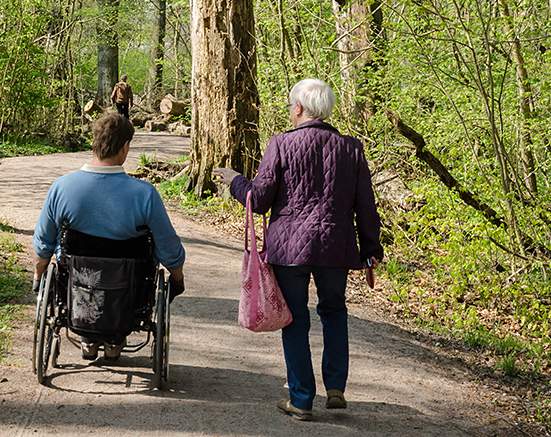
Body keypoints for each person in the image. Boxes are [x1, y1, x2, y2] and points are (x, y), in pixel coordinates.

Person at [212, 78, 382, 421]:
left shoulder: (281, 144)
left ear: (300, 108)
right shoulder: (351, 148)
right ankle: (335, 386)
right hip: (335, 245)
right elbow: (366, 205)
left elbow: (258, 200)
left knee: (295, 320)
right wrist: (371, 249)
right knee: (334, 311)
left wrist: (234, 180)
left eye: (291, 107)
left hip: (290, 248)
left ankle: (302, 399)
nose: (290, 112)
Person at [33, 112, 185, 361]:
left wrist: (39, 276)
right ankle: (115, 337)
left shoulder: (62, 188)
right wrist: (177, 279)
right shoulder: (145, 194)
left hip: (76, 282)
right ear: (125, 147)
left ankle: (88, 336)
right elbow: (168, 249)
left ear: (94, 143)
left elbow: (43, 245)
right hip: (129, 287)